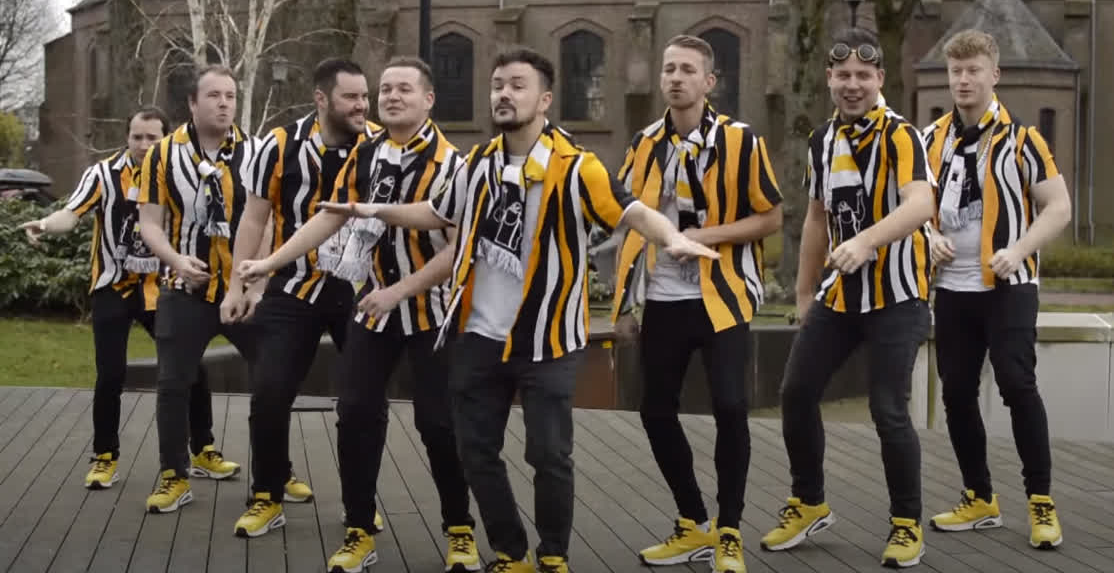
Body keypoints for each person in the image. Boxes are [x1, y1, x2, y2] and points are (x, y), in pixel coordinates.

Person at [299, 48, 719, 573]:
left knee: (548, 454)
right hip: (478, 336)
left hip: (547, 339)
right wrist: (373, 208)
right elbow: (436, 212)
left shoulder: (577, 166)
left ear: (544, 100)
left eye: (518, 85)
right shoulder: (478, 162)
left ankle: (553, 555)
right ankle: (510, 552)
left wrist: (672, 236)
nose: (503, 93)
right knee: (473, 450)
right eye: (498, 84)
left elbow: (632, 211)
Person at [238, 56, 481, 573]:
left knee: (438, 424)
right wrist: (269, 263)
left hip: (431, 311)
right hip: (373, 310)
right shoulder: (366, 153)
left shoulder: (452, 163)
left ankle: (459, 530)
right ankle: (358, 528)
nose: (390, 97)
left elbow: (458, 250)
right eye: (385, 88)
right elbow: (332, 217)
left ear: (428, 100)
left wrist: (398, 291)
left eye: (403, 89)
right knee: (354, 415)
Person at [759, 28, 936, 569]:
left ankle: (906, 523)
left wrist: (865, 242)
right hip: (840, 296)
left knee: (888, 409)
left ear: (880, 79)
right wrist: (804, 291)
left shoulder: (901, 135)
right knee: (796, 393)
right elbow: (817, 218)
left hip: (898, 295)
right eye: (843, 75)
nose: (852, 84)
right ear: (829, 78)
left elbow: (921, 204)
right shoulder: (822, 140)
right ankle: (809, 502)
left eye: (863, 75)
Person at [610, 35, 783, 573]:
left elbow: (771, 217)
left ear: (709, 82)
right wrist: (625, 305)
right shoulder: (644, 143)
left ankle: (729, 531)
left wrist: (705, 236)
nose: (676, 78)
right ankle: (693, 523)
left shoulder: (740, 140)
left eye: (687, 70)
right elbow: (627, 222)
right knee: (655, 411)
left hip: (721, 296)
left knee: (730, 407)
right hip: (662, 298)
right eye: (669, 69)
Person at [224, 57, 384, 539]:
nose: (361, 105)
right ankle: (267, 495)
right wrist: (237, 285)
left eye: (364, 96)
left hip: (359, 290)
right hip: (293, 285)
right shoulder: (278, 145)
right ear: (321, 99)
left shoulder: (381, 146)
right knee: (269, 391)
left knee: (364, 403)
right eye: (350, 97)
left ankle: (360, 506)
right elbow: (254, 218)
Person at [922, 29, 1068, 549]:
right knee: (956, 393)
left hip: (1009, 287)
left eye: (973, 70)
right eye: (956, 71)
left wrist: (1020, 248)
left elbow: (1059, 207)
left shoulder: (1023, 141)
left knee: (1016, 383)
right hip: (952, 289)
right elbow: (910, 206)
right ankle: (980, 497)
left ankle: (1041, 501)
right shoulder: (930, 139)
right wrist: (928, 236)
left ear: (994, 75)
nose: (963, 80)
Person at [19, 107, 217, 491]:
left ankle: (203, 448)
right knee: (110, 374)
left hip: (162, 287)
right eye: (136, 137)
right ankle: (105, 457)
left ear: (166, 138)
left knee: (192, 366)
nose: (143, 145)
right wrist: (44, 223)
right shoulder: (103, 174)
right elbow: (70, 214)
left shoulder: (182, 173)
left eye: (152, 138)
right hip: (113, 286)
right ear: (127, 137)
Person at [136, 65, 261, 513]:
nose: (224, 104)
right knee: (173, 383)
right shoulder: (161, 154)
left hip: (243, 290)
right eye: (213, 95)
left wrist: (255, 284)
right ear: (192, 103)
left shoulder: (256, 151)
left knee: (274, 380)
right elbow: (149, 223)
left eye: (230, 96)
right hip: (185, 288)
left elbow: (269, 219)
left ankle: (276, 473)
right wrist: (175, 260)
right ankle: (174, 476)